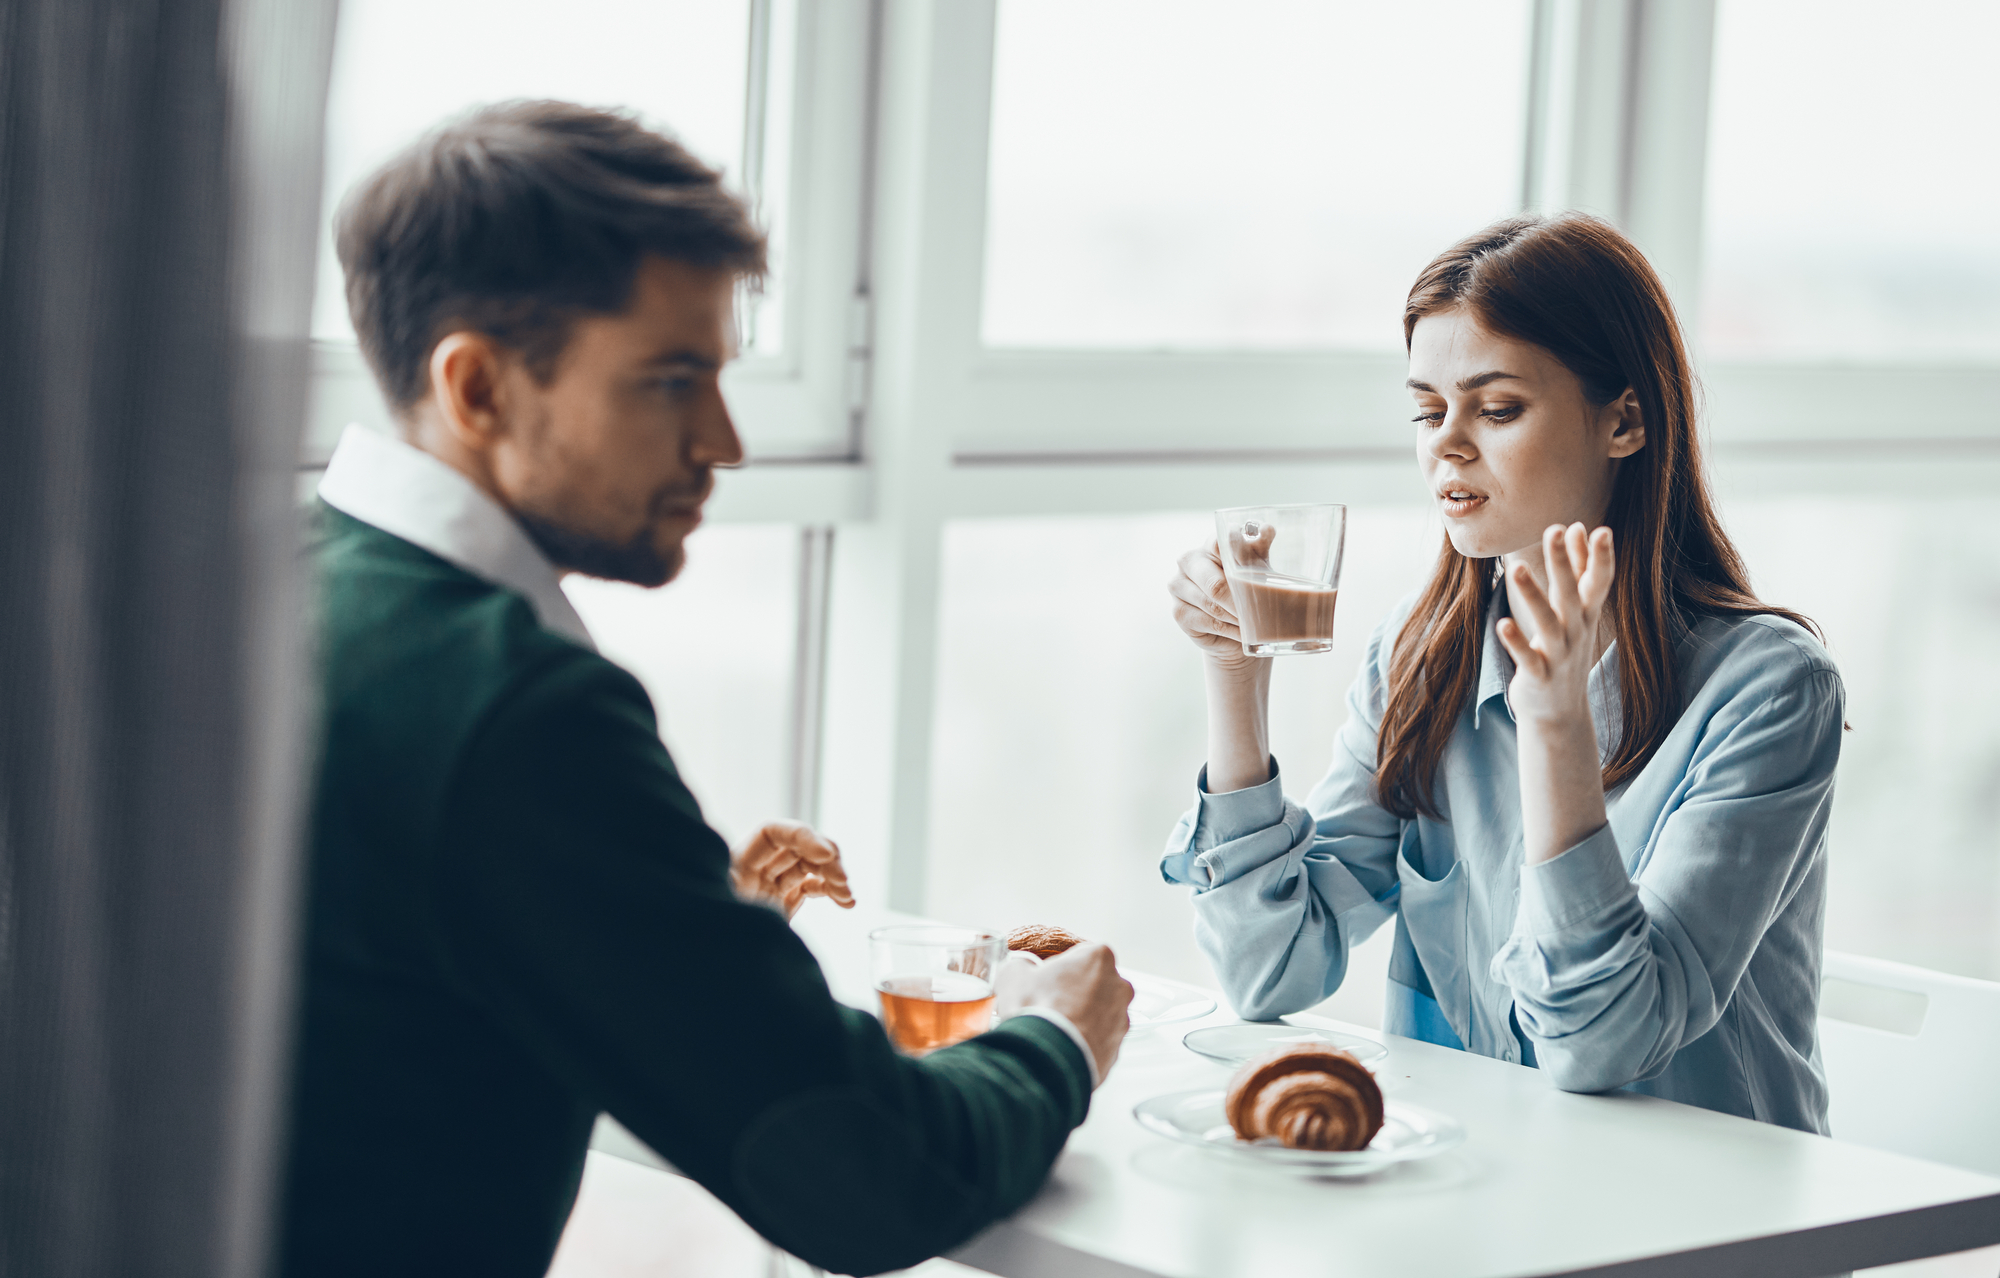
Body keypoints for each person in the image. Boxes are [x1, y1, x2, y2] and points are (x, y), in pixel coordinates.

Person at [281, 100, 1132, 1278]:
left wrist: (672, 925)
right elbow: (870, 1178)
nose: (724, 441)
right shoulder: (519, 714)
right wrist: (1057, 1035)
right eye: (670, 380)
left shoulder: (252, 588)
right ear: (476, 389)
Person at [1163, 214, 1843, 1133]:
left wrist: (1556, 722)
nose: (1446, 444)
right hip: (1481, 1188)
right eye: (1426, 409)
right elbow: (1268, 969)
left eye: (1496, 408)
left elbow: (1603, 1042)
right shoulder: (1421, 653)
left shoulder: (1769, 688)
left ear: (1626, 420)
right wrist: (1234, 679)